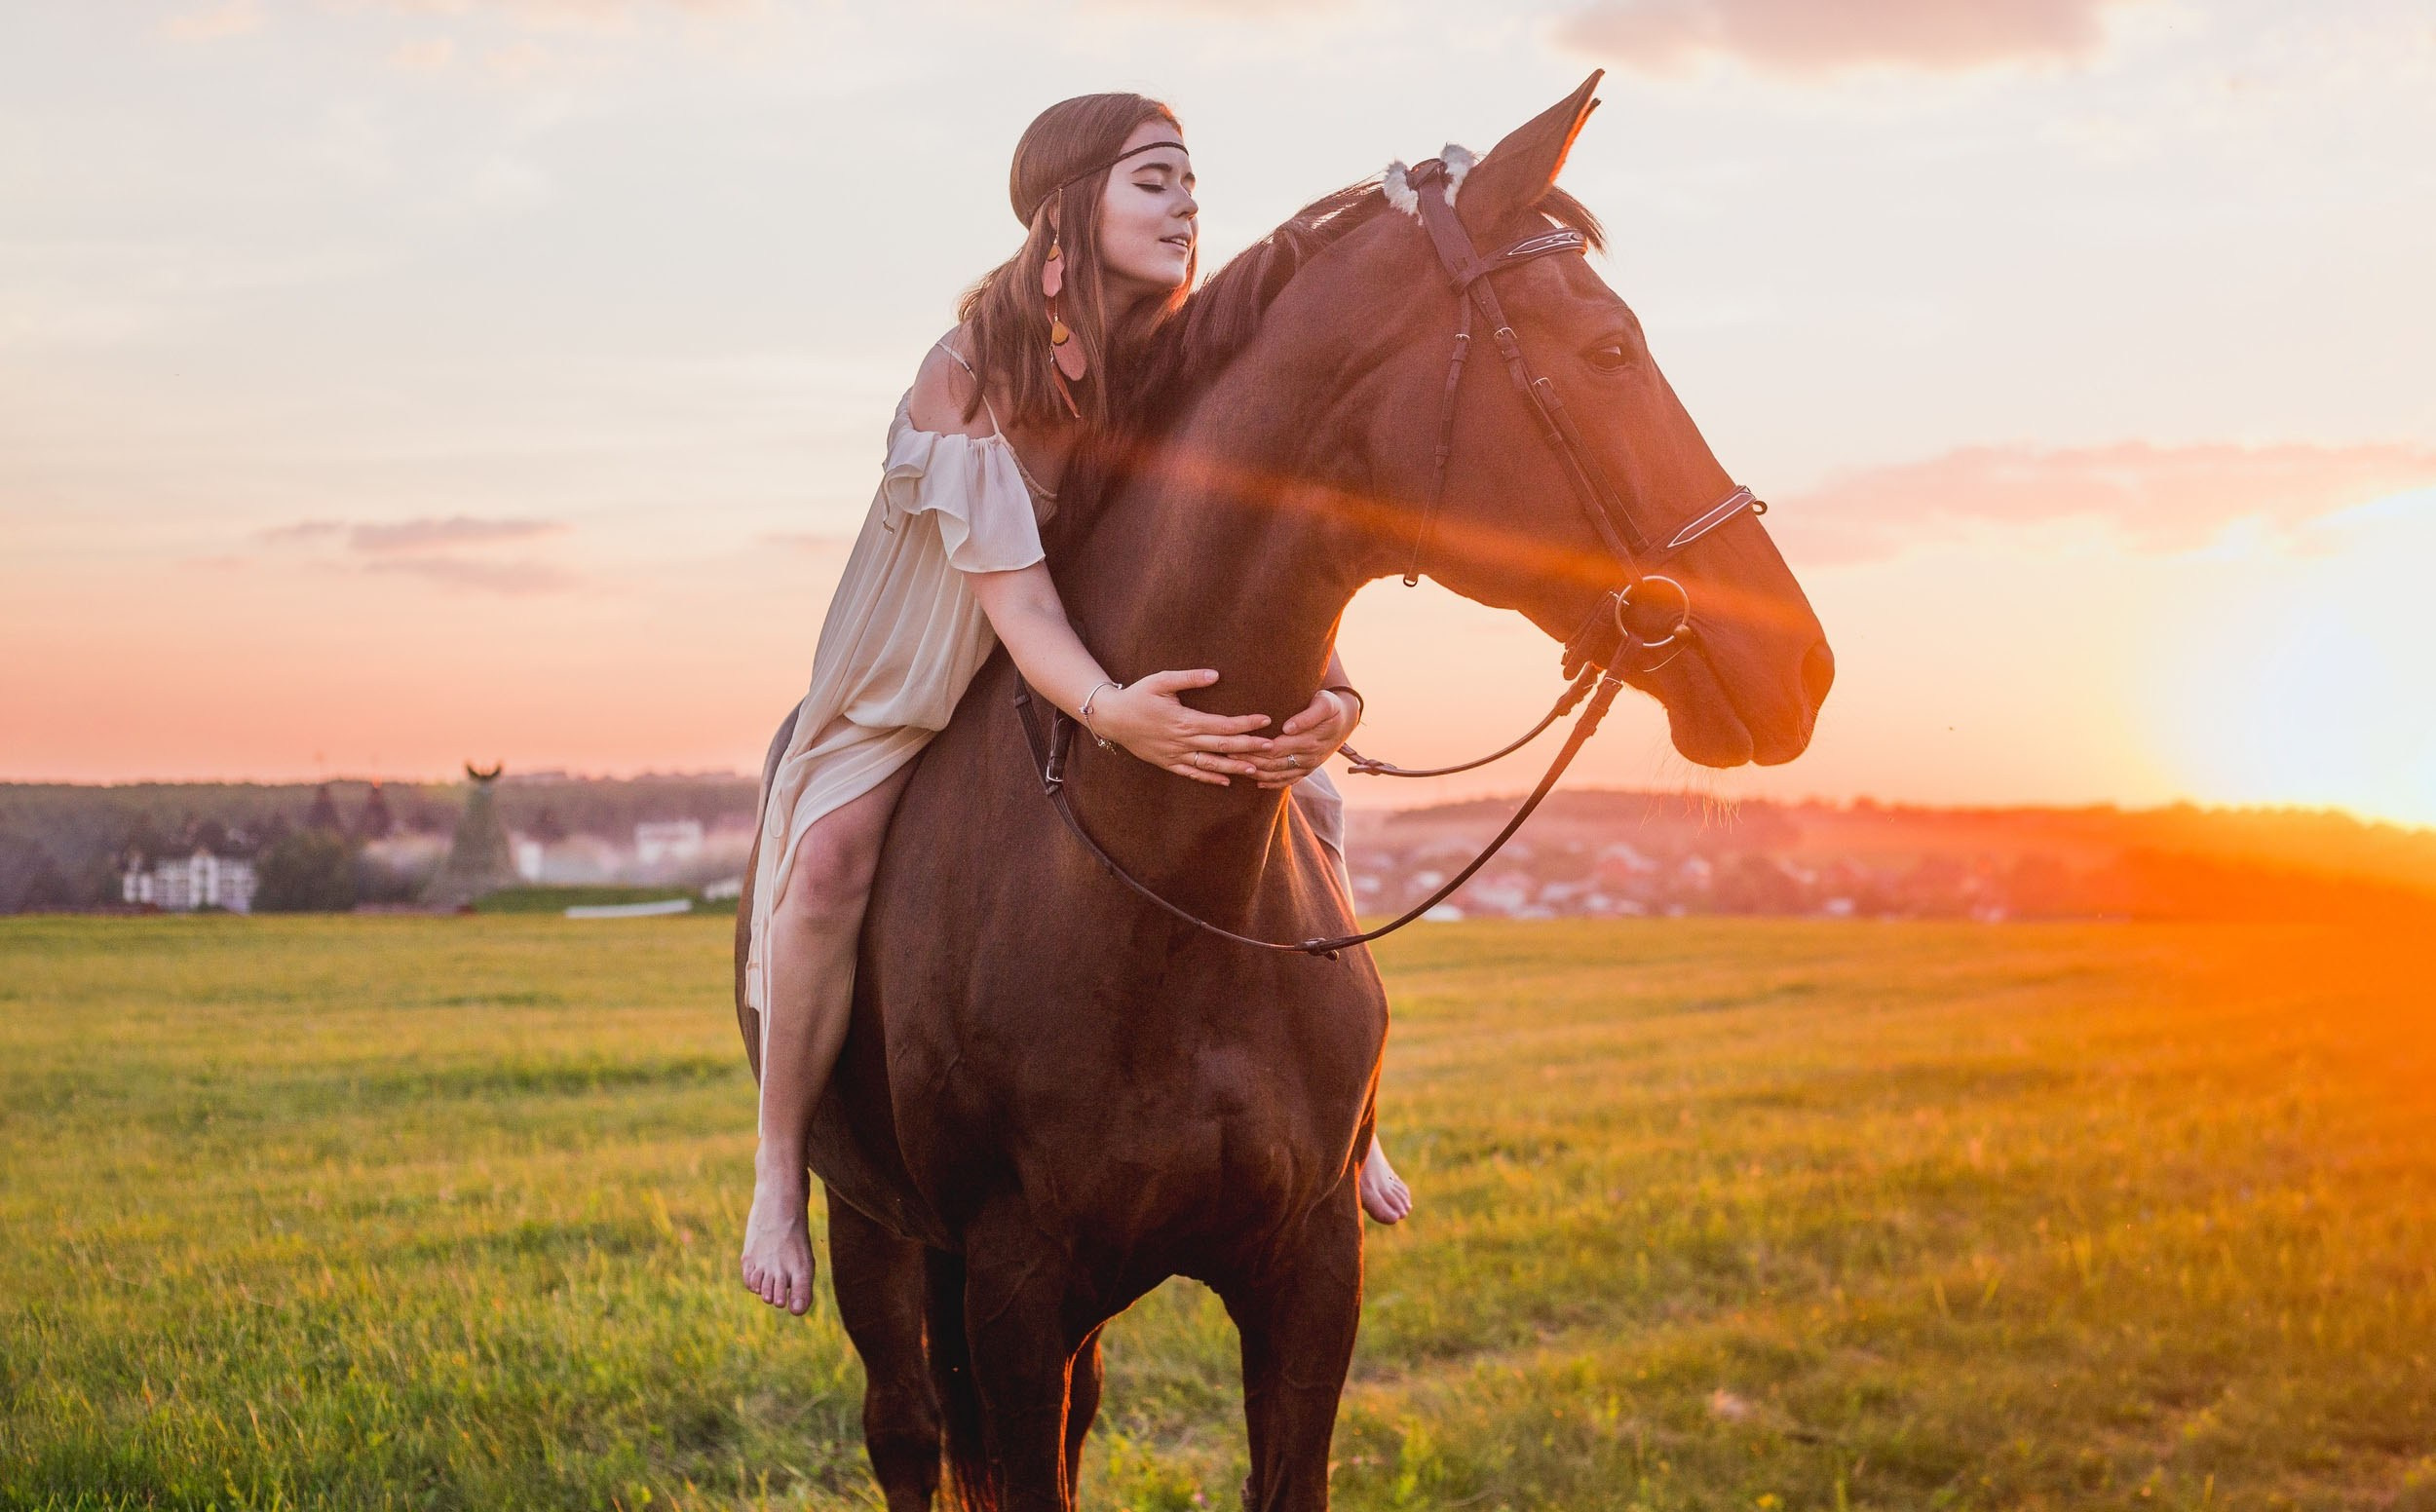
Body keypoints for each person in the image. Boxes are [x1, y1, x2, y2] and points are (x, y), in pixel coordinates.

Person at [740, 94, 1408, 1318]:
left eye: (1192, 183)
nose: (1187, 204)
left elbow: (1246, 551)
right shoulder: (967, 373)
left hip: (1089, 641)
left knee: (1305, 804)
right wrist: (1113, 713)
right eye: (1154, 179)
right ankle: (781, 1167)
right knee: (827, 861)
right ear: (1068, 205)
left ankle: (1346, 1117)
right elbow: (1016, 605)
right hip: (933, 650)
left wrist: (1337, 693)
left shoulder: (1180, 350)